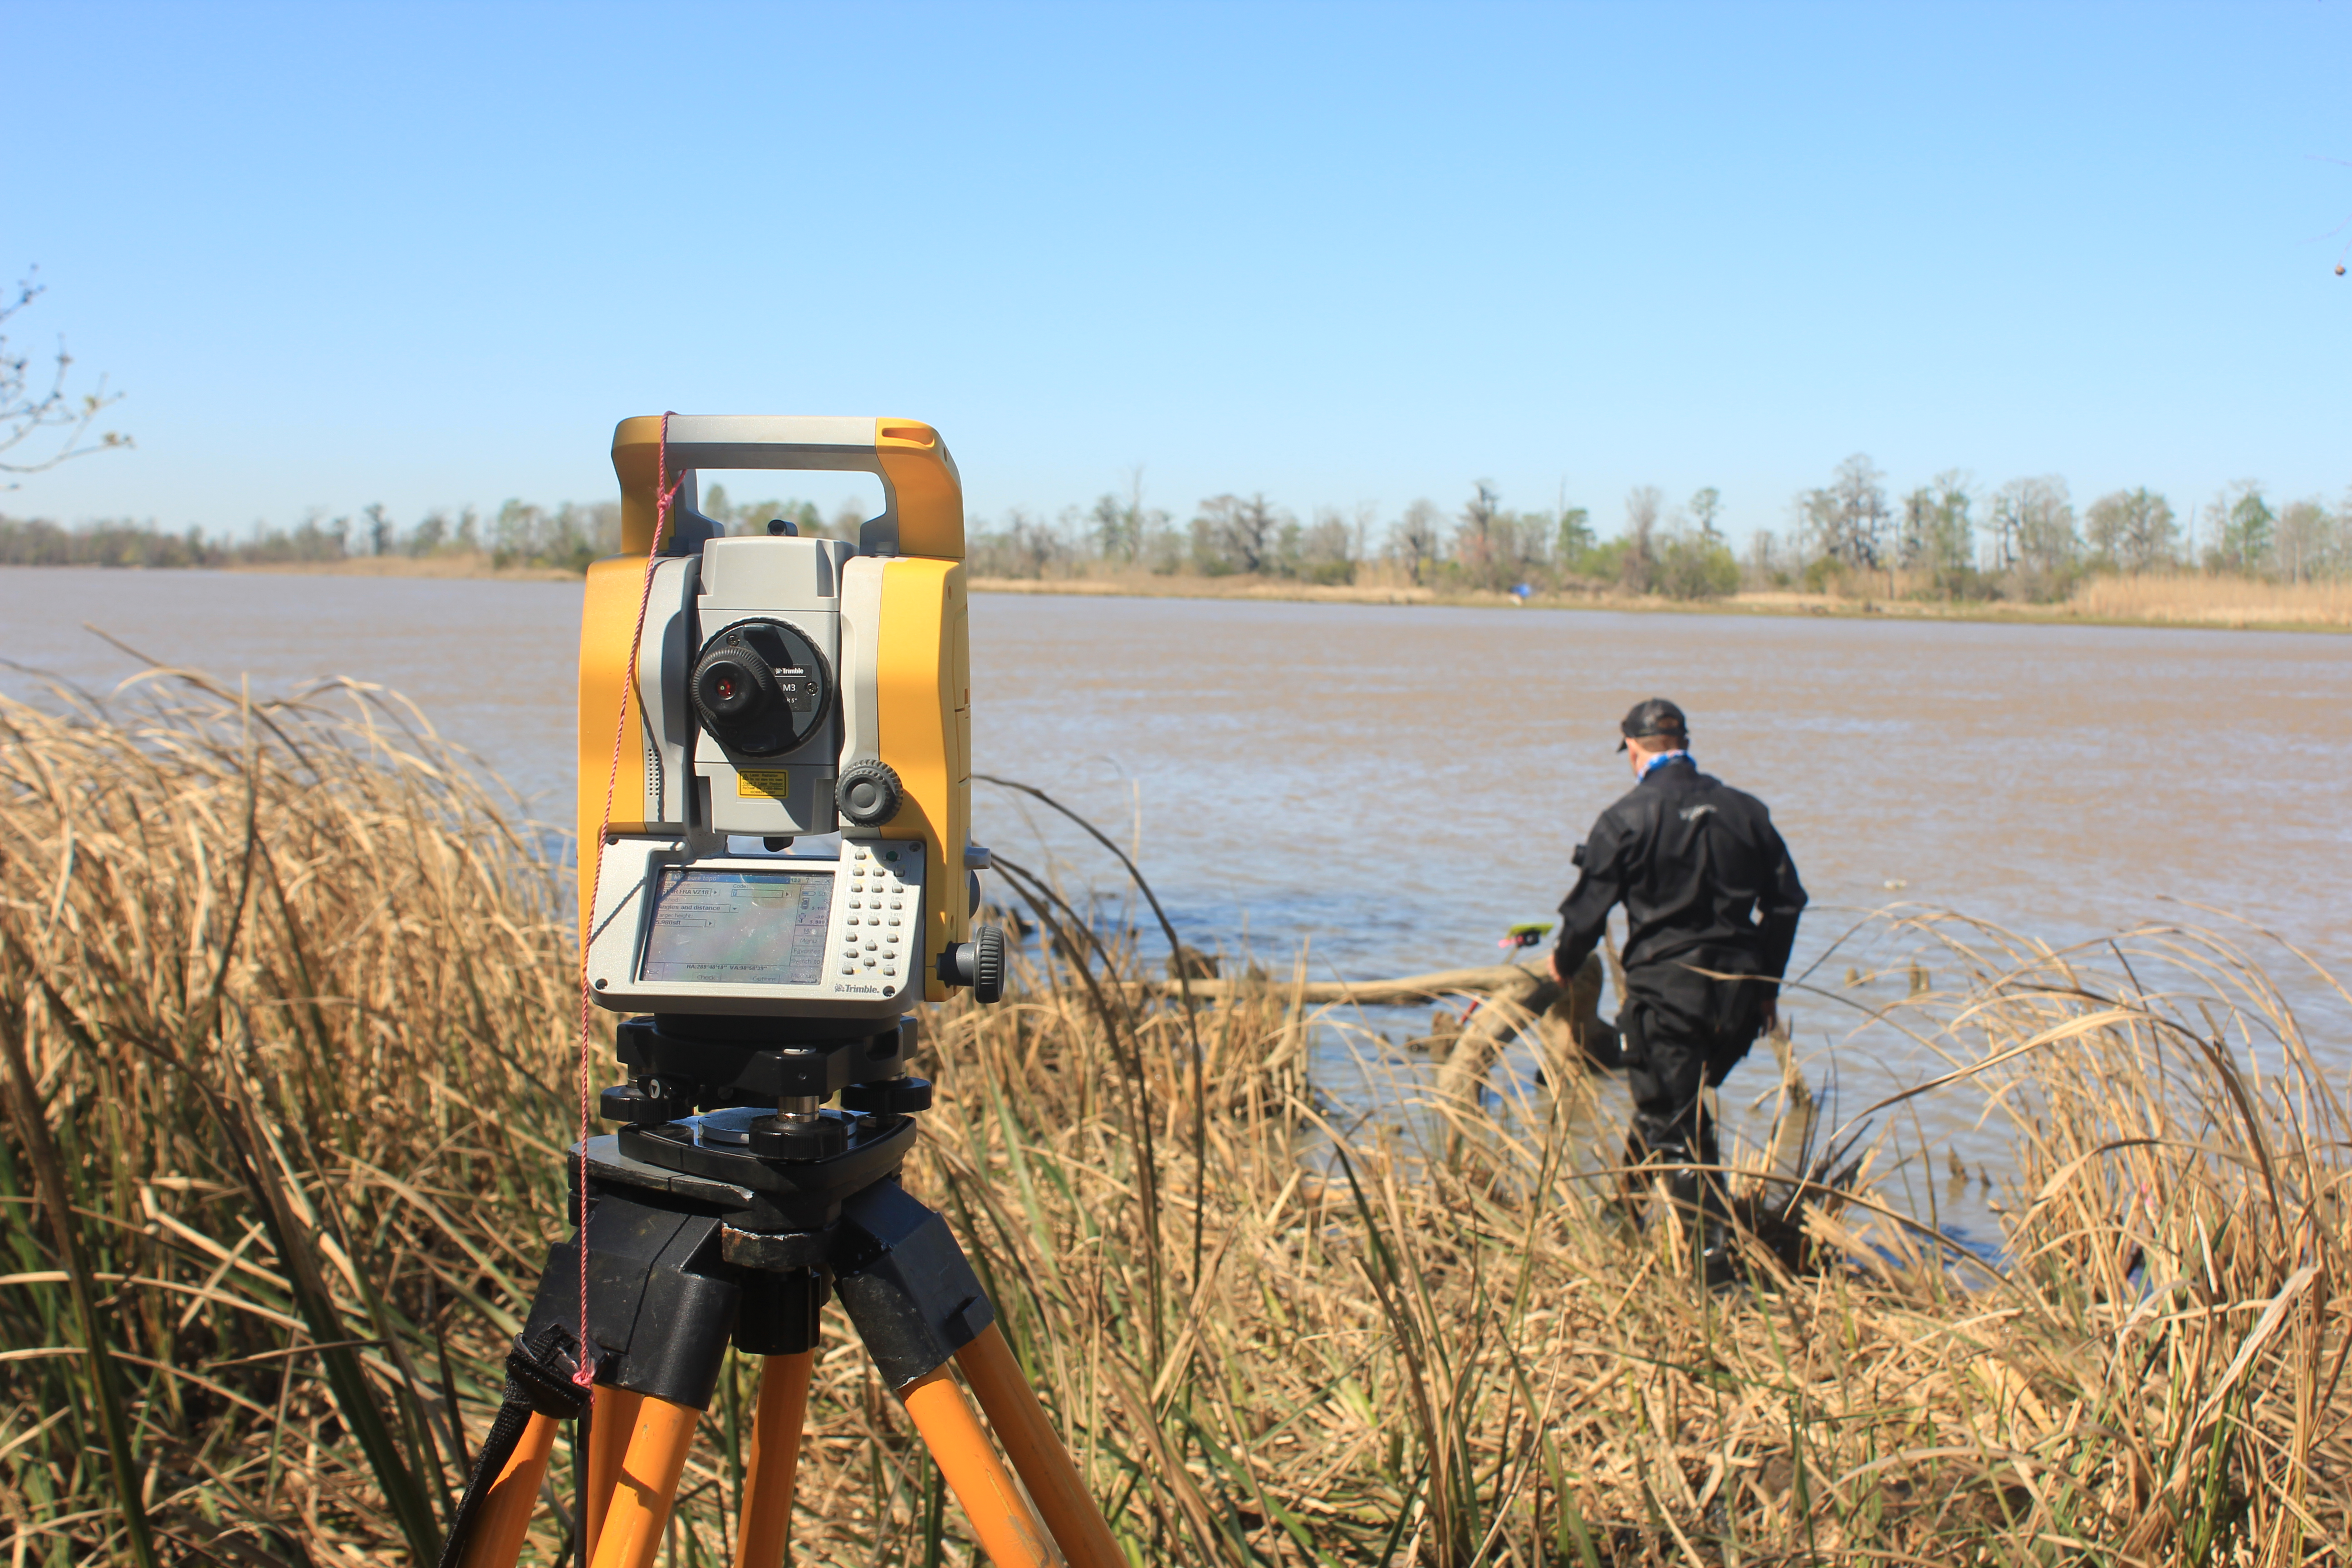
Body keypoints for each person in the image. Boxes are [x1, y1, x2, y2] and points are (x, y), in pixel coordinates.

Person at [1548, 699, 1807, 1252]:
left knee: (1675, 1122)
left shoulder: (1624, 818)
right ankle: (1622, 1220)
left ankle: (1717, 1271)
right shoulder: (1746, 811)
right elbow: (1787, 902)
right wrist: (1767, 987)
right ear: (1685, 744)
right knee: (1669, 1106)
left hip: (1667, 998)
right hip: (1738, 998)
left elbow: (1586, 914)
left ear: (1633, 748)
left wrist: (1564, 964)